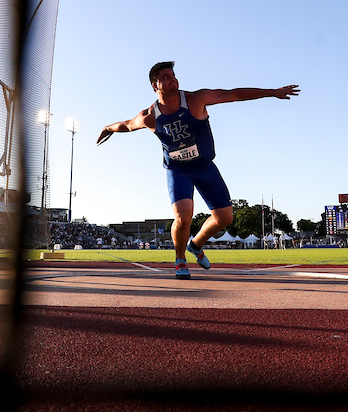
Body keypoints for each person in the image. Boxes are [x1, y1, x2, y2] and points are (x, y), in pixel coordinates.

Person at [97, 61, 298, 279]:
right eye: (165, 77)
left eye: (173, 75)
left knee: (225, 218)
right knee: (183, 217)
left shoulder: (195, 100)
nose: (172, 78)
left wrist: (273, 92)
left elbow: (234, 94)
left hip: (204, 166)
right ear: (155, 86)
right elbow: (127, 125)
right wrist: (108, 128)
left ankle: (197, 244)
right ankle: (180, 259)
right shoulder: (149, 116)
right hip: (177, 170)